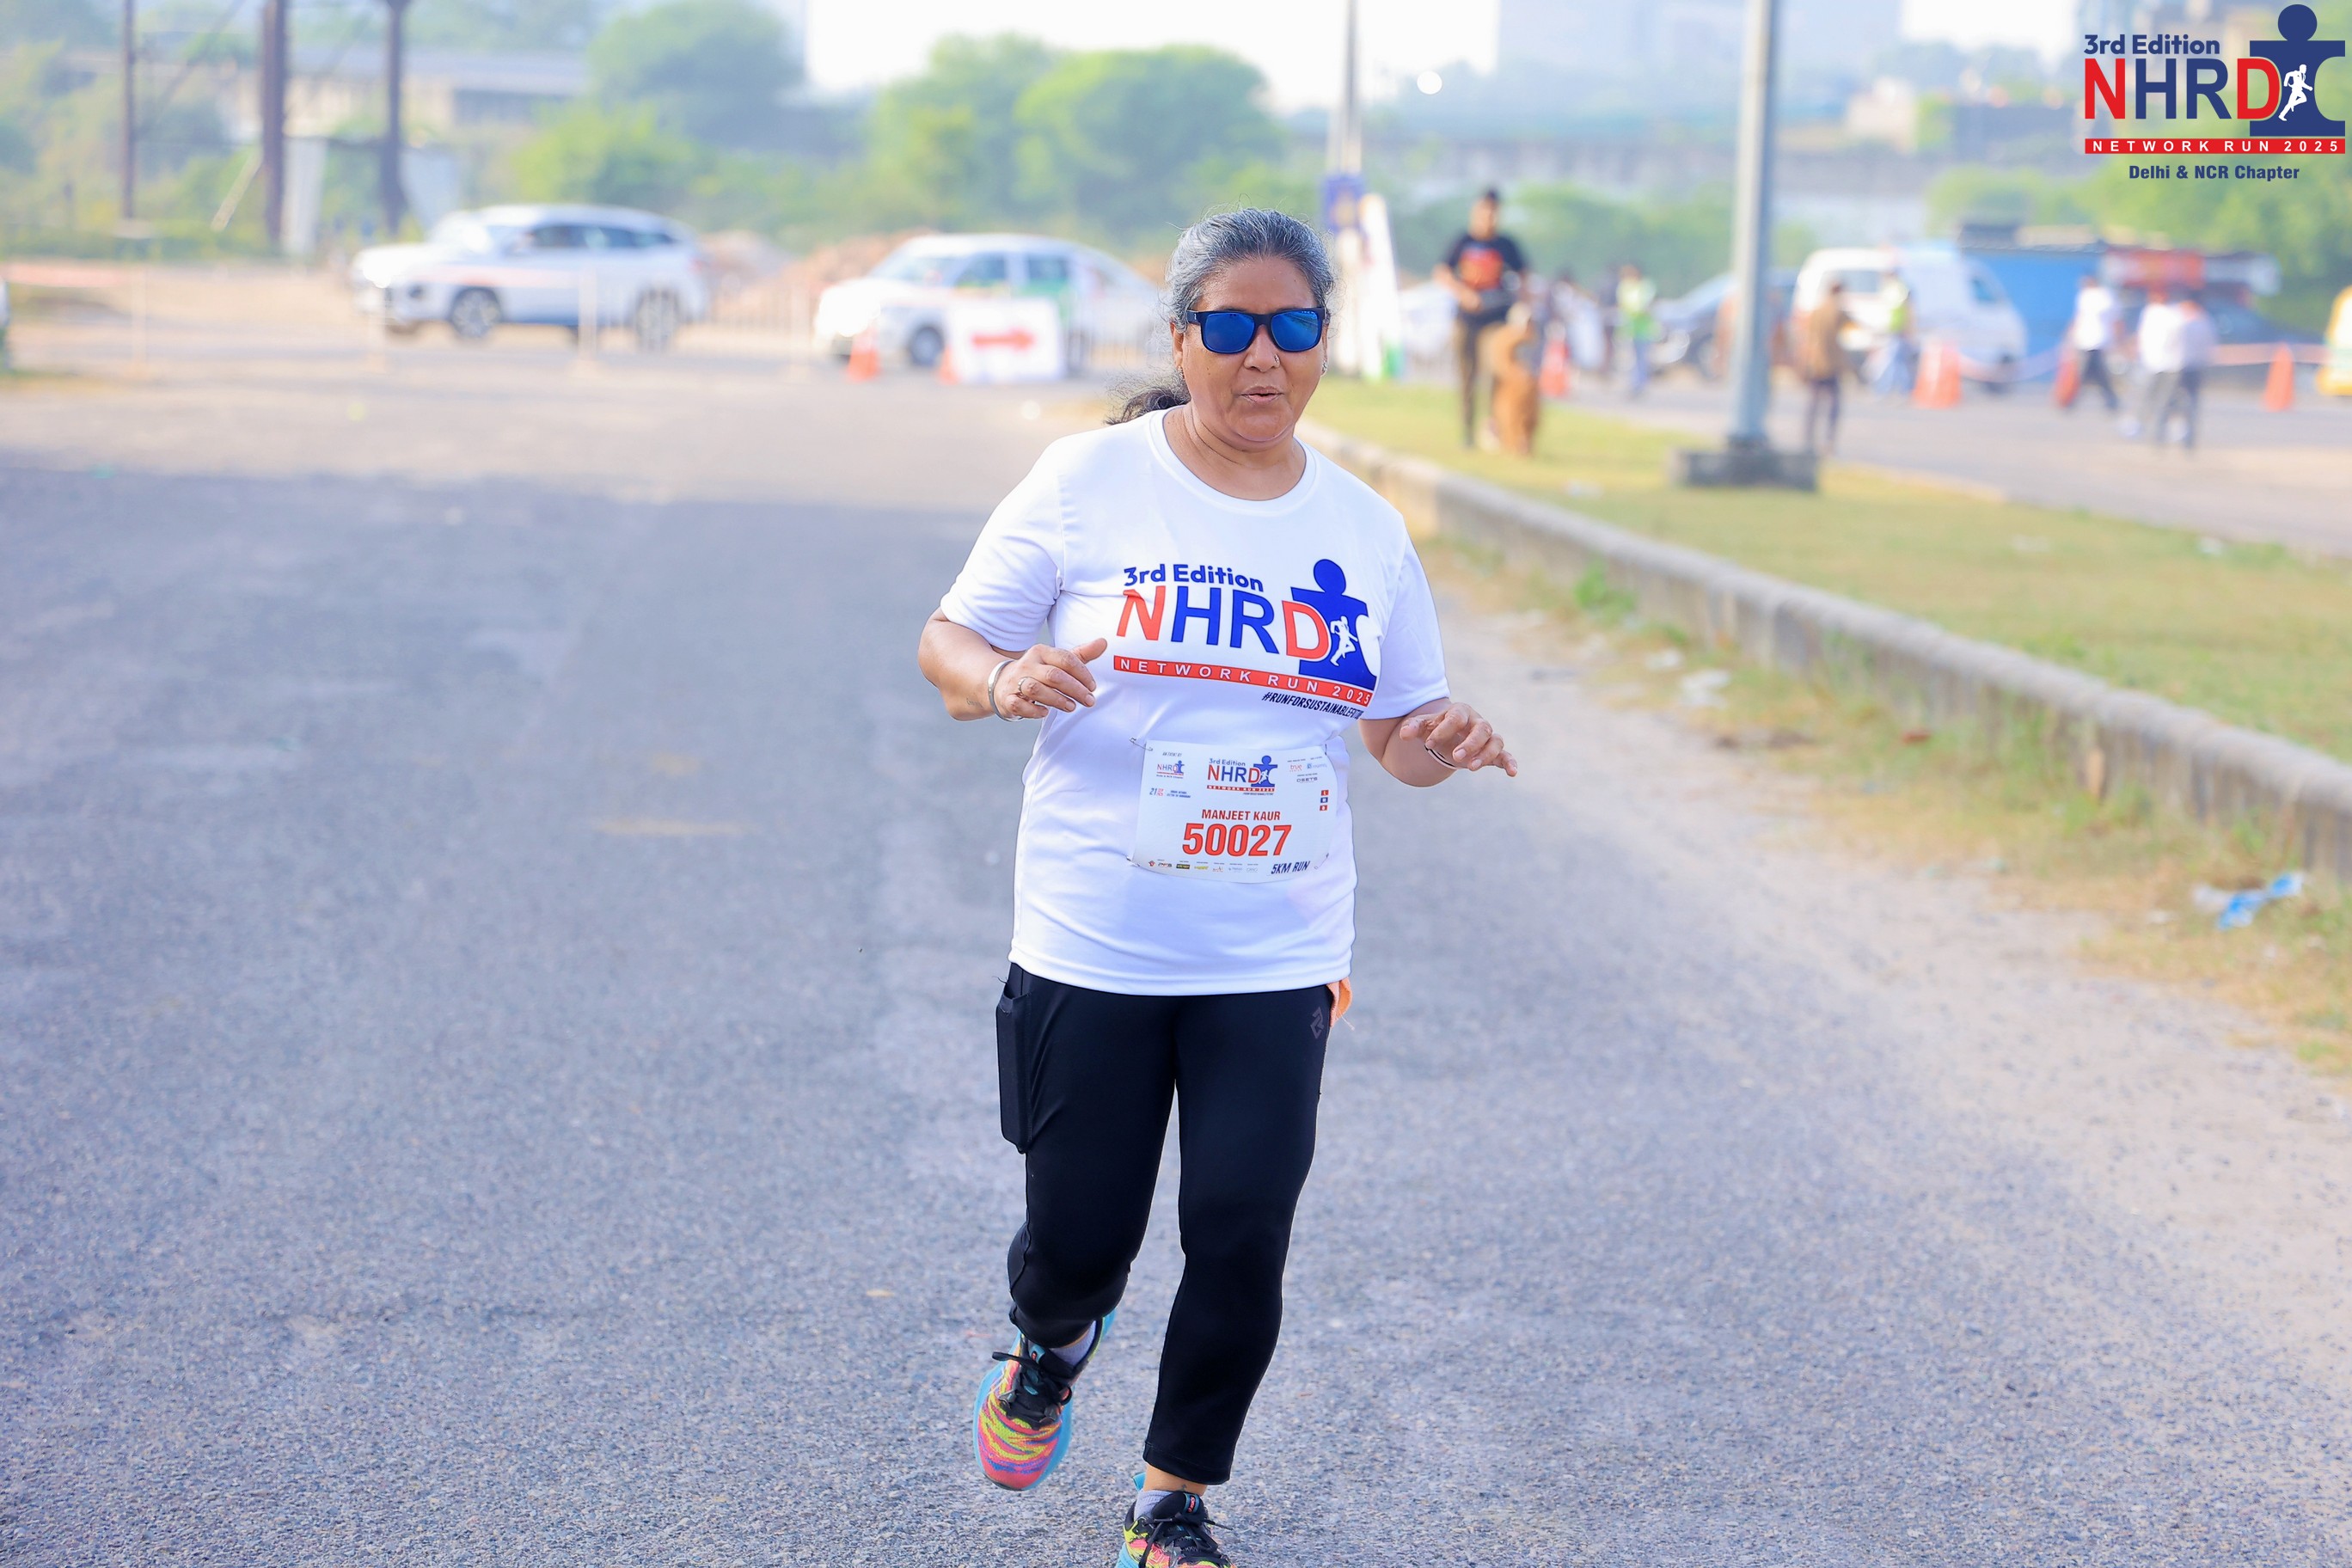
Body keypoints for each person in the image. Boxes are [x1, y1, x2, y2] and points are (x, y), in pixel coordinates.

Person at [918, 208, 1516, 1568]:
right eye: (1233, 327)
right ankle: (1051, 1347)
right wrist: (1004, 678)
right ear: (1182, 339)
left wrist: (1444, 738)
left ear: (1324, 342)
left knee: (1243, 1227)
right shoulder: (1088, 482)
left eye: (1294, 327)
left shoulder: (1363, 529)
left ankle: (1171, 1498)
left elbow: (1396, 735)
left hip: (1275, 943)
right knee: (1080, 1241)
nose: (1265, 357)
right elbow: (948, 641)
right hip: (1096, 935)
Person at [1433, 187, 1527, 446]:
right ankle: (1468, 432)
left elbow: (1524, 276)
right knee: (1467, 376)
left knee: (1498, 370)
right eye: (1484, 211)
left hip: (1496, 318)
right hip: (1467, 319)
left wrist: (1522, 305)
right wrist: (1464, 294)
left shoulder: (1506, 245)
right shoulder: (1463, 242)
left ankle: (1495, 426)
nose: (1489, 217)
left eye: (1493, 212)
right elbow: (1442, 273)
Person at [2155, 293, 2218, 449]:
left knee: (2170, 401)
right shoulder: (2203, 321)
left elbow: (2167, 343)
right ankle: (2178, 436)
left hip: (2178, 366)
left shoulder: (2177, 320)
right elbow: (2209, 345)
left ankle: (2164, 435)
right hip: (2190, 366)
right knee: (2186, 402)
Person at [1798, 279, 1849, 455]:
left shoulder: (1817, 311)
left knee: (1814, 402)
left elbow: (1807, 337)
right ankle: (1829, 440)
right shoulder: (1838, 311)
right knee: (1833, 404)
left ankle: (1808, 438)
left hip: (1815, 363)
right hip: (1831, 364)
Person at [2131, 286, 2184, 444]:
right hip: (2151, 362)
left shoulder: (2175, 314)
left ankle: (2173, 427)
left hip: (2170, 363)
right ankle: (2139, 424)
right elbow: (2143, 335)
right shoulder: (2150, 312)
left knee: (2168, 398)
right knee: (2146, 395)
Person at [2065, 273, 2122, 413]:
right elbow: (2079, 317)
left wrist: (2117, 340)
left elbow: (2115, 319)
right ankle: (2111, 401)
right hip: (2085, 340)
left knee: (2090, 373)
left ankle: (2073, 401)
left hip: (2100, 340)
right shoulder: (2084, 296)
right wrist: (2071, 335)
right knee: (2097, 374)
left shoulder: (2106, 296)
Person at [1615, 263, 1658, 397]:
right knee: (1629, 359)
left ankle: (1640, 384)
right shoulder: (1625, 286)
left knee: (1642, 358)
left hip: (1643, 328)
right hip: (1629, 328)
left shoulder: (1645, 286)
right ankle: (1632, 383)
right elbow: (1623, 305)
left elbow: (1647, 306)